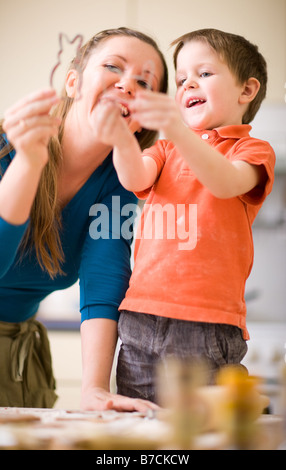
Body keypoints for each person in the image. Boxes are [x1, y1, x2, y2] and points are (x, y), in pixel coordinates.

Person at [96, 28, 276, 403]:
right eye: (180, 79)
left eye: (204, 73)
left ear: (246, 90)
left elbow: (225, 182)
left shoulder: (253, 150)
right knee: (137, 429)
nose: (188, 83)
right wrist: (121, 139)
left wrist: (177, 129)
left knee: (202, 434)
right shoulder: (165, 149)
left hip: (206, 323)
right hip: (140, 317)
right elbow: (134, 177)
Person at [0, 27, 168, 411]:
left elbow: (103, 282)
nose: (128, 84)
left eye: (144, 81)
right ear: (73, 82)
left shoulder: (119, 187)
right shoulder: (7, 145)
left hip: (17, 356)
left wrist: (94, 388)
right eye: (113, 67)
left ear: (142, 118)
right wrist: (28, 164)